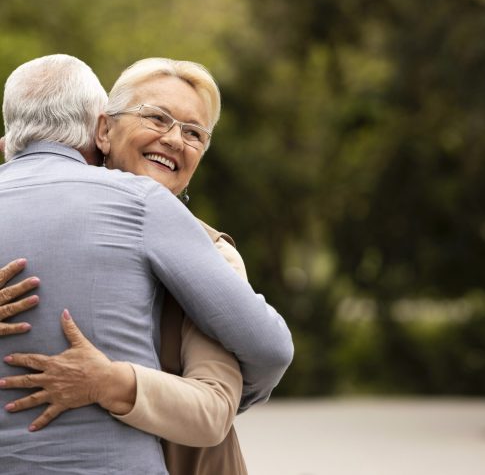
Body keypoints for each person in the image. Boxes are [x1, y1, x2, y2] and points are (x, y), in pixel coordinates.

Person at [0, 54, 293, 474]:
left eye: (194, 133)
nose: (175, 139)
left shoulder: (214, 254)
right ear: (103, 128)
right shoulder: (55, 215)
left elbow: (224, 400)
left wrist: (110, 382)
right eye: (157, 118)